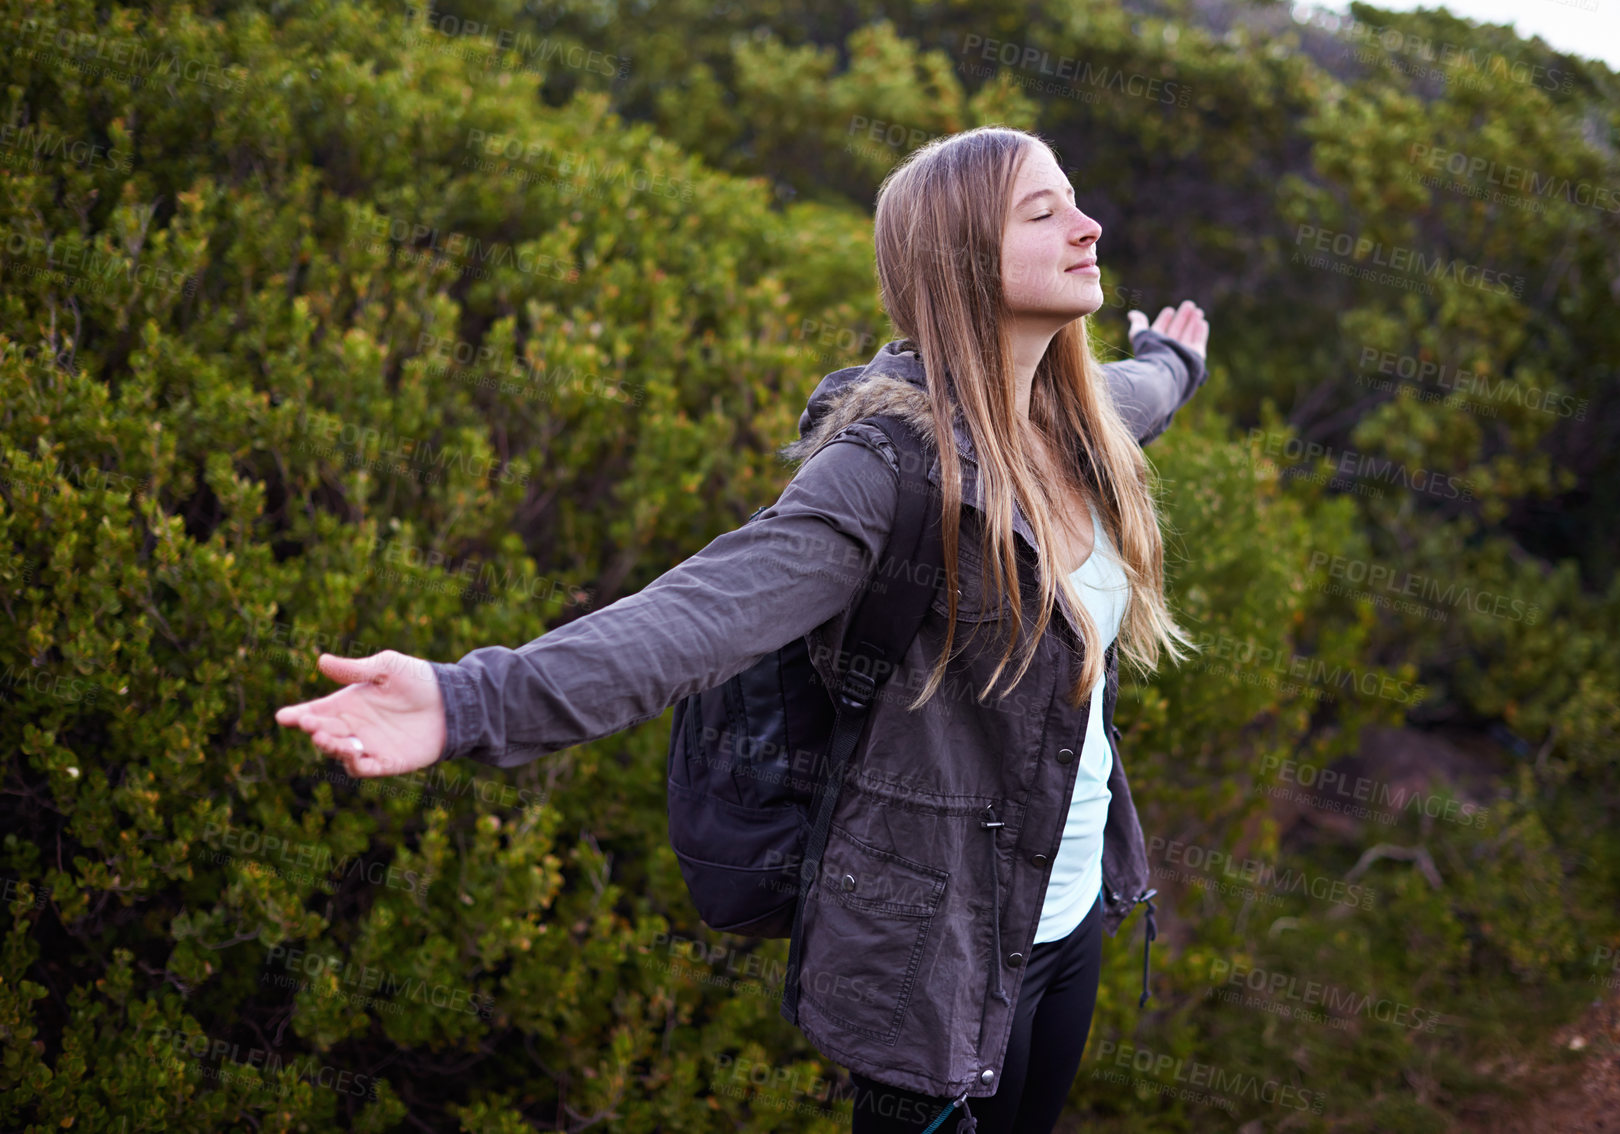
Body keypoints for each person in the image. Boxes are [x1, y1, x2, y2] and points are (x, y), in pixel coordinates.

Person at [276, 125, 1209, 1133]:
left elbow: (1144, 392)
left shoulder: (1076, 420)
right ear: (959, 261)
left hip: (1067, 918)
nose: (1089, 226)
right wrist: (470, 701)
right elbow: (695, 619)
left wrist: (1173, 358)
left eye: (1073, 199)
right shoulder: (883, 471)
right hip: (935, 955)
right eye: (1045, 212)